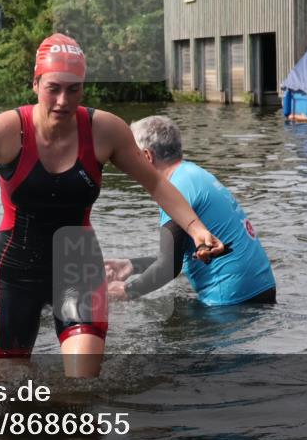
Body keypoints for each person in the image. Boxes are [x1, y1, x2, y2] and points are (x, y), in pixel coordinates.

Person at [0, 33, 226, 377]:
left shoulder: (105, 130)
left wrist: (197, 230)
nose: (63, 100)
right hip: (16, 271)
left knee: (82, 387)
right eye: (53, 88)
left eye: (73, 89)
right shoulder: (6, 129)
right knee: (4, 394)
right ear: (35, 83)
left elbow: (155, 183)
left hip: (78, 265)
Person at [103, 116, 276, 306]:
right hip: (261, 289)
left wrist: (125, 291)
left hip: (231, 301)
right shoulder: (193, 174)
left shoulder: (176, 189)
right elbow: (179, 257)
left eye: (130, 155)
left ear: (146, 157)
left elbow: (168, 267)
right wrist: (131, 265)